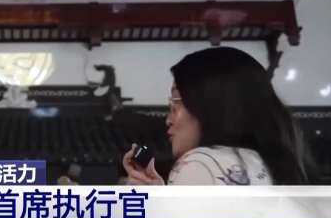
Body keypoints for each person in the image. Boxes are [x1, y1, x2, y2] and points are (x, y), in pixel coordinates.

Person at [123, 46, 316, 185]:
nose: (168, 121)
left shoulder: (200, 164)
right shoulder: (267, 165)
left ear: (210, 103)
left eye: (176, 101)